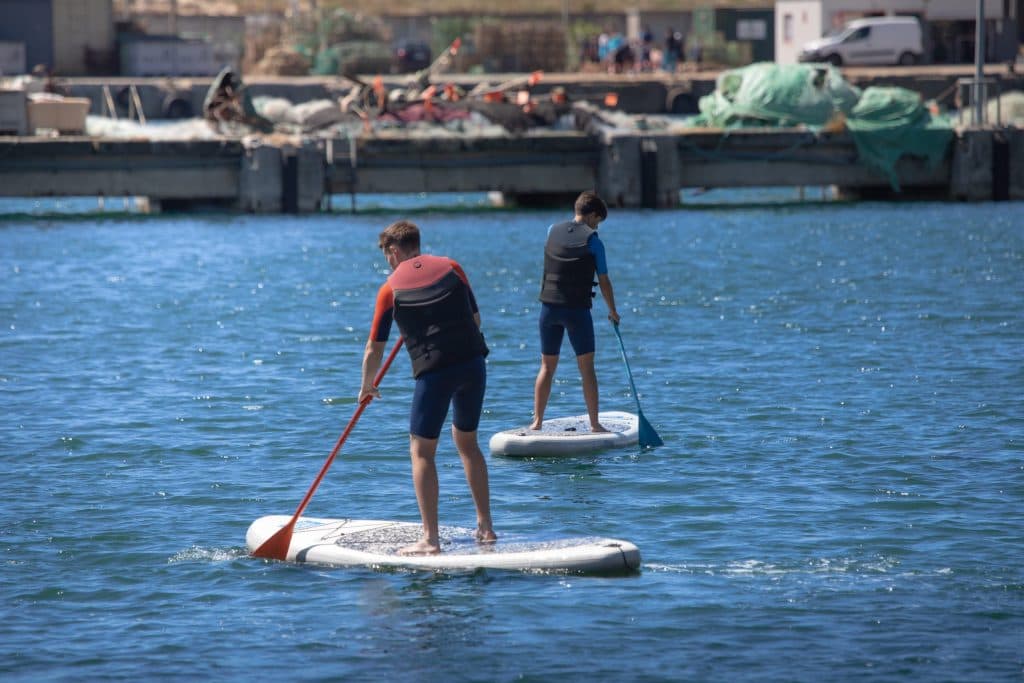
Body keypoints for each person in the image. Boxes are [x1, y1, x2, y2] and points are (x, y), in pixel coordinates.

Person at [359, 220, 496, 556]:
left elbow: (374, 349)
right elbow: (475, 320)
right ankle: (486, 527)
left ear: (393, 252)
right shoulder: (452, 267)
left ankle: (430, 540)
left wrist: (367, 385)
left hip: (435, 373)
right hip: (474, 364)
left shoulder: (389, 290)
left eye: (387, 257)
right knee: (468, 443)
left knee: (422, 453)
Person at [531, 191, 620, 433]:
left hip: (548, 309)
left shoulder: (552, 230)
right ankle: (594, 424)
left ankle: (537, 422)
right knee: (587, 367)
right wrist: (613, 311)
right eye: (598, 220)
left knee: (546, 367)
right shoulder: (594, 241)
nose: (597, 225)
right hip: (577, 312)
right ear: (592, 215)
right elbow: (604, 280)